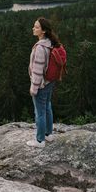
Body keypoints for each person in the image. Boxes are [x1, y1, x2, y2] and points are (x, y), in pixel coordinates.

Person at [26, 17, 62, 148]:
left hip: (41, 84)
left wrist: (33, 88)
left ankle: (40, 141)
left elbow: (37, 70)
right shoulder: (50, 43)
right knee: (47, 106)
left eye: (36, 27)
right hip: (49, 82)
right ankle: (48, 134)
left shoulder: (40, 47)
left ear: (44, 31)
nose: (33, 28)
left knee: (39, 112)